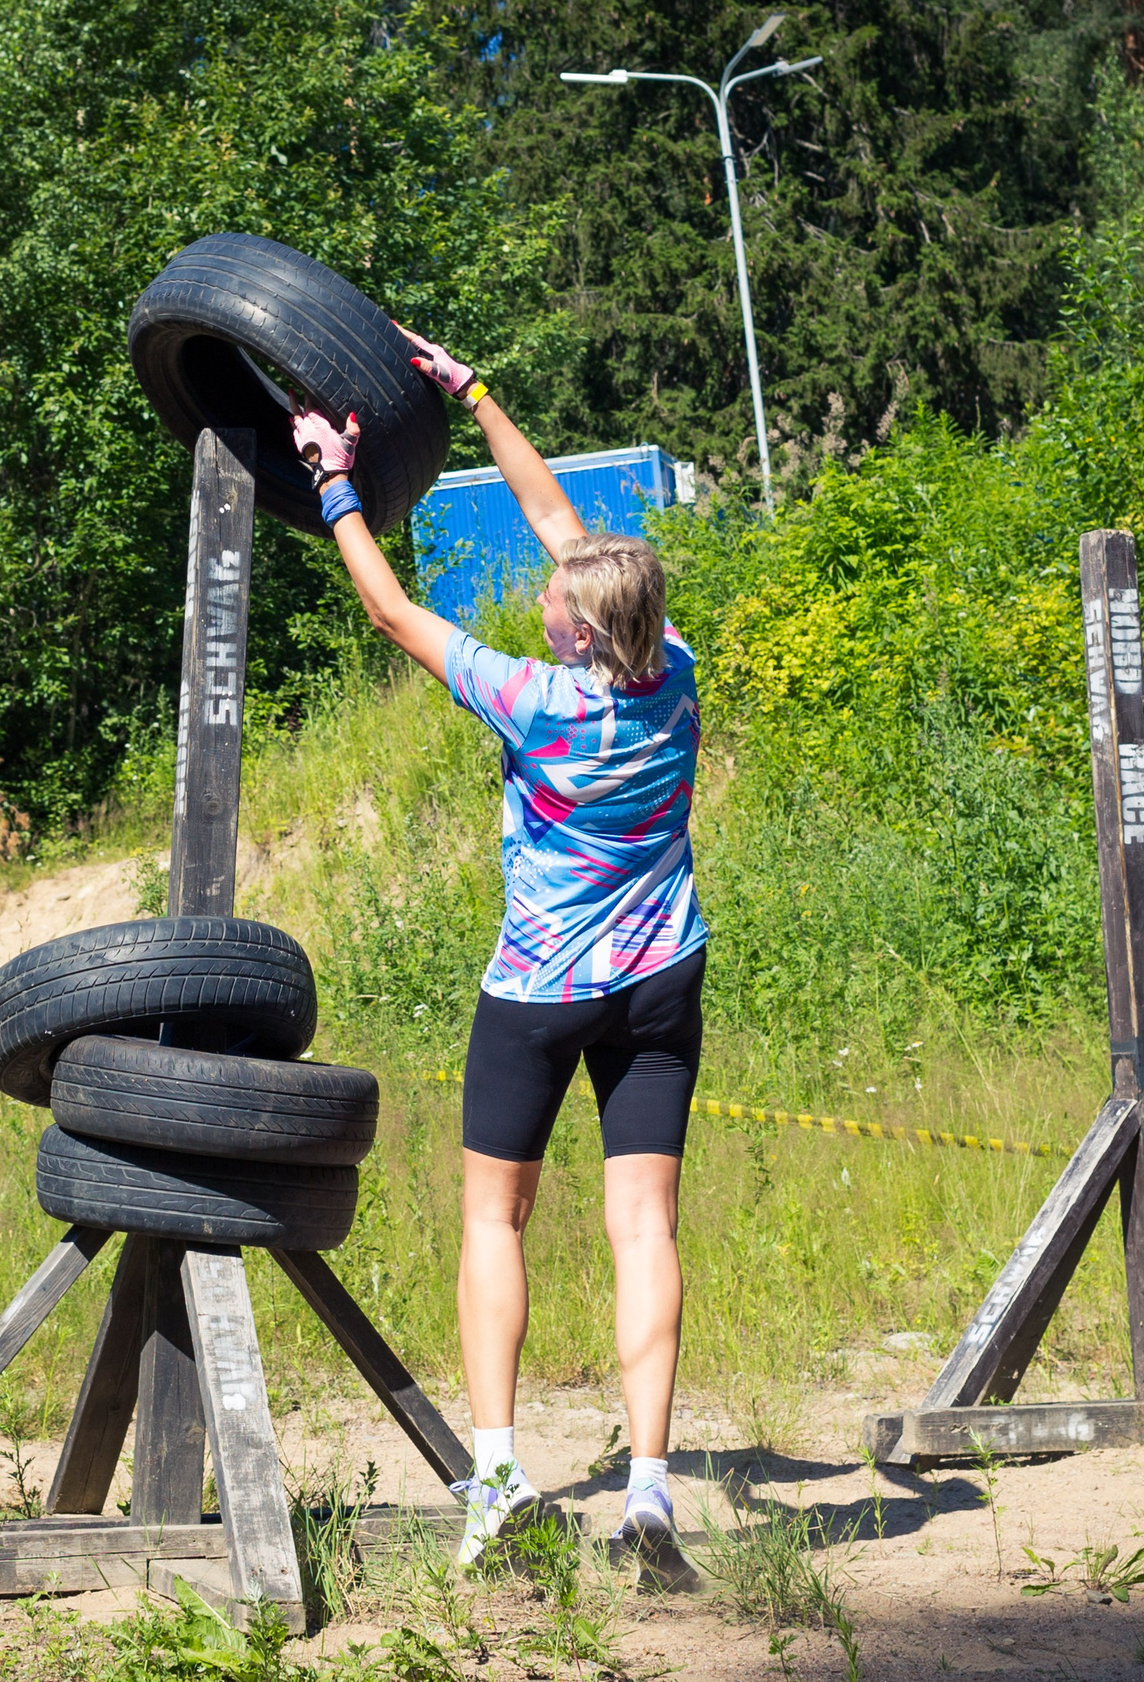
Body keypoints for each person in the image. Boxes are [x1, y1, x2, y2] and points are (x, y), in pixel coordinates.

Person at [289, 328, 707, 1568]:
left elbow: (388, 609)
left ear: (578, 631)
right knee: (644, 1228)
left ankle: (498, 1479)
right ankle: (648, 1492)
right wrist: (472, 394)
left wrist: (332, 482)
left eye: (556, 599)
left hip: (537, 990)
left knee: (494, 1221)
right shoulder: (673, 674)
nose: (542, 593)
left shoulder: (532, 698)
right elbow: (562, 526)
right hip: (659, 980)